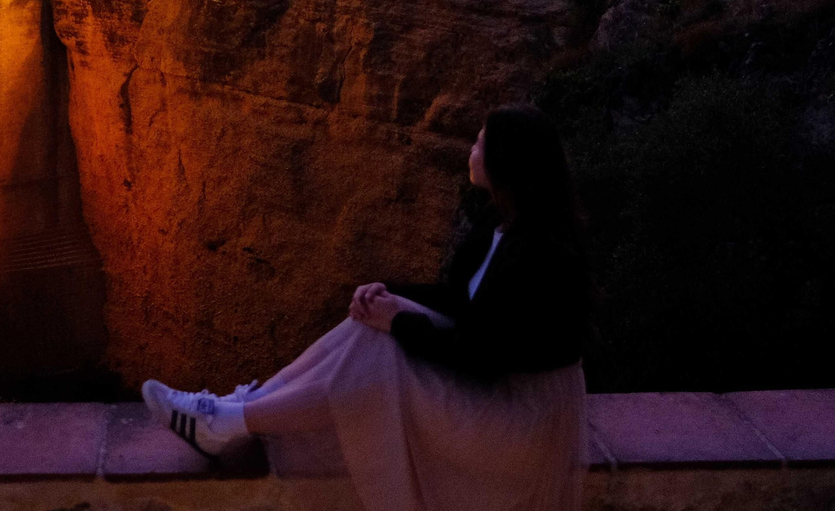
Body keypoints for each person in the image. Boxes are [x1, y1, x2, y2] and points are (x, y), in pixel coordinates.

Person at [143, 105, 592, 511]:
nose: (471, 148)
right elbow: (461, 303)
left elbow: (481, 355)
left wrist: (398, 320)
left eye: (480, 141)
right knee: (368, 329)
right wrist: (388, 294)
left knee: (377, 355)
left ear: (506, 162)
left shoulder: (542, 256)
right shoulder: (498, 228)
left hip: (521, 420)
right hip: (494, 385)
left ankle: (228, 420)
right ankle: (237, 409)